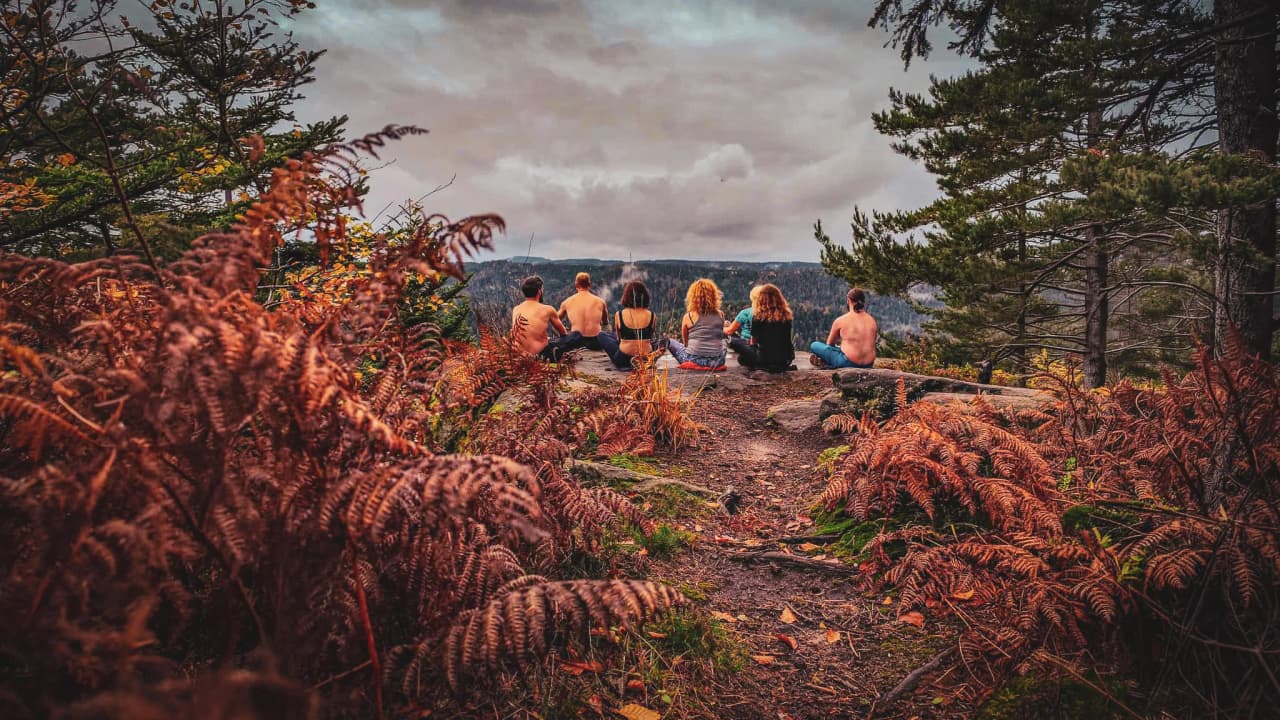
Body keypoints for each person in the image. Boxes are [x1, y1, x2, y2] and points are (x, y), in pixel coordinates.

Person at [511, 275, 580, 361]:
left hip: (521, 354)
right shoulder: (548, 309)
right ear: (539, 292)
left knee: (549, 340)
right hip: (541, 355)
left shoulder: (516, 309)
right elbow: (563, 333)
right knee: (576, 335)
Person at [729, 284, 795, 372]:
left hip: (764, 361)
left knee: (735, 345)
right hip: (785, 361)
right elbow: (787, 340)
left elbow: (753, 342)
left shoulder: (758, 316)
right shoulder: (786, 316)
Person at [665, 278, 727, 369]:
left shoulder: (689, 316)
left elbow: (686, 344)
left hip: (694, 360)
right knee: (725, 340)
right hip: (718, 361)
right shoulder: (720, 314)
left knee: (670, 342)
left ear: (693, 297)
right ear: (714, 295)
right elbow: (720, 336)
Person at [810, 287, 877, 369]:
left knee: (814, 345)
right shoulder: (872, 320)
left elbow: (830, 344)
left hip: (848, 362)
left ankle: (826, 363)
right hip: (868, 364)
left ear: (848, 301)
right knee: (838, 349)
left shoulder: (841, 320)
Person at [597, 280, 656, 370]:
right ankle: (642, 362)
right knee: (662, 341)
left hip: (623, 359)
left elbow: (619, 339)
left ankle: (629, 364)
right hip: (645, 358)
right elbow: (650, 337)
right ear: (645, 296)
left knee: (601, 334)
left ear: (627, 297)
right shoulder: (652, 315)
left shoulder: (619, 315)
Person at [557, 272, 612, 351]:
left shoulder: (567, 302)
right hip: (596, 342)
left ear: (576, 285)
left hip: (576, 342)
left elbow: (556, 320)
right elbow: (605, 323)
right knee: (608, 329)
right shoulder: (600, 302)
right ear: (589, 284)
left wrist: (563, 333)